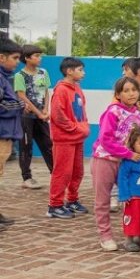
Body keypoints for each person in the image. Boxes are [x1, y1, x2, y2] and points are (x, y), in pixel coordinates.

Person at [91, 76, 140, 250]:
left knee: (132, 198)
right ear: (118, 94)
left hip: (127, 163)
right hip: (105, 160)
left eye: (134, 90)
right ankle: (105, 235)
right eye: (126, 90)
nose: (131, 94)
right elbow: (106, 139)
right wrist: (128, 153)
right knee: (103, 200)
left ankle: (134, 233)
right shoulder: (113, 112)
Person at [46, 57, 89, 222]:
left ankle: (72, 200)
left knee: (77, 171)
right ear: (69, 71)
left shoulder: (77, 88)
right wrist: (76, 128)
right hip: (64, 139)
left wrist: (82, 127)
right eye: (80, 69)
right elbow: (58, 115)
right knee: (62, 172)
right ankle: (54, 205)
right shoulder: (61, 90)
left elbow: (81, 112)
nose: (83, 73)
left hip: (77, 138)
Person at [14, 44, 53, 190]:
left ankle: (55, 173)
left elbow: (46, 92)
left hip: (42, 116)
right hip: (26, 117)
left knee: (48, 145)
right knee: (26, 146)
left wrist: (46, 109)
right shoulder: (20, 76)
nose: (39, 58)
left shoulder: (43, 72)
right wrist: (38, 113)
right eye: (36, 56)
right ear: (27, 58)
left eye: (40, 55)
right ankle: (27, 178)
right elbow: (22, 96)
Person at [0, 39, 24, 227]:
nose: (17, 62)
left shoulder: (4, 77)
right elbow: (4, 106)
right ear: (2, 57)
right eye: (15, 58)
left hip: (6, 133)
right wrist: (20, 104)